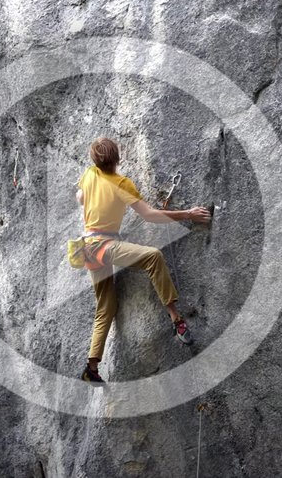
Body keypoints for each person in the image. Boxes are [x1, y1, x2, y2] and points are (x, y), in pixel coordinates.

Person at [76, 137, 211, 384]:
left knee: (106, 307)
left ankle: (92, 366)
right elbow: (150, 216)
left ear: (95, 161)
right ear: (118, 159)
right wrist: (188, 214)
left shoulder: (88, 175)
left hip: (87, 247)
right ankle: (176, 319)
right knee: (152, 256)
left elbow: (80, 198)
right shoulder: (121, 184)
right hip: (105, 245)